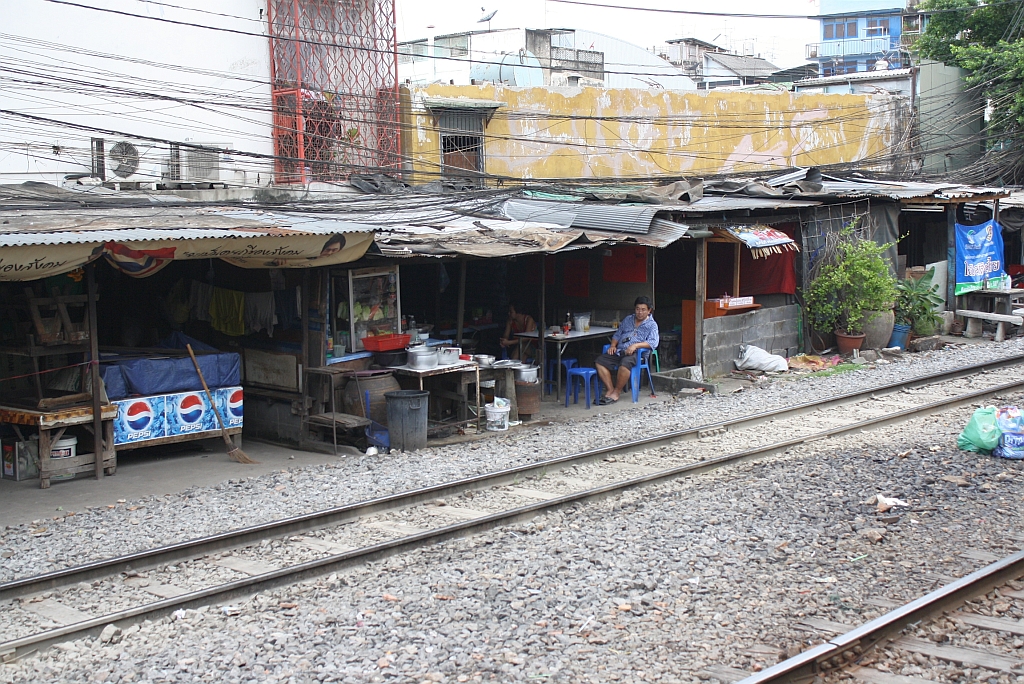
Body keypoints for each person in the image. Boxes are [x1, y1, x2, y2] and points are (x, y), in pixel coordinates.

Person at [594, 296, 659, 404]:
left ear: (649, 311)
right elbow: (617, 334)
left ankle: (616, 392)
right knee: (599, 361)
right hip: (620, 351)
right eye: (638, 309)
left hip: (637, 354)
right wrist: (613, 346)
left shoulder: (652, 325)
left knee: (625, 363)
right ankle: (610, 389)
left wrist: (635, 346)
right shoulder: (628, 319)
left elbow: (653, 342)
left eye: (643, 310)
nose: (640, 312)